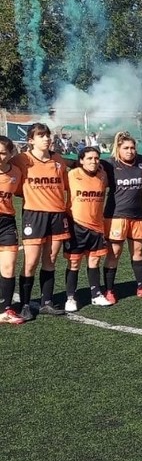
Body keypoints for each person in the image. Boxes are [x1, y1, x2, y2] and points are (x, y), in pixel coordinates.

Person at [11, 123, 71, 318]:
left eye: (48, 135)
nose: (46, 138)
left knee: (50, 259)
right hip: (34, 214)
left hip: (57, 214)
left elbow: (67, 175)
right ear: (31, 140)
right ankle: (25, 305)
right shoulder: (22, 159)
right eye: (41, 136)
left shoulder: (57, 159)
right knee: (31, 262)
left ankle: (47, 302)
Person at [101, 131, 142, 302]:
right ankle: (109, 290)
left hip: (138, 215)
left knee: (138, 252)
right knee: (114, 253)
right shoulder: (108, 164)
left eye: (132, 148)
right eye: (126, 148)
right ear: (118, 149)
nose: (130, 151)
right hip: (116, 216)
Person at [64, 146, 112, 311]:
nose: (94, 161)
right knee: (74, 262)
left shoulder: (103, 175)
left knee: (94, 261)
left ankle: (96, 294)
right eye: (89, 158)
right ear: (81, 160)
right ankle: (70, 297)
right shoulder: (72, 174)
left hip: (97, 226)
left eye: (96, 158)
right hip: (76, 224)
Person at [0, 136, 24, 324]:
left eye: (2, 153)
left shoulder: (16, 172)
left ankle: (6, 309)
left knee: (8, 266)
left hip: (7, 223)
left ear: (10, 154)